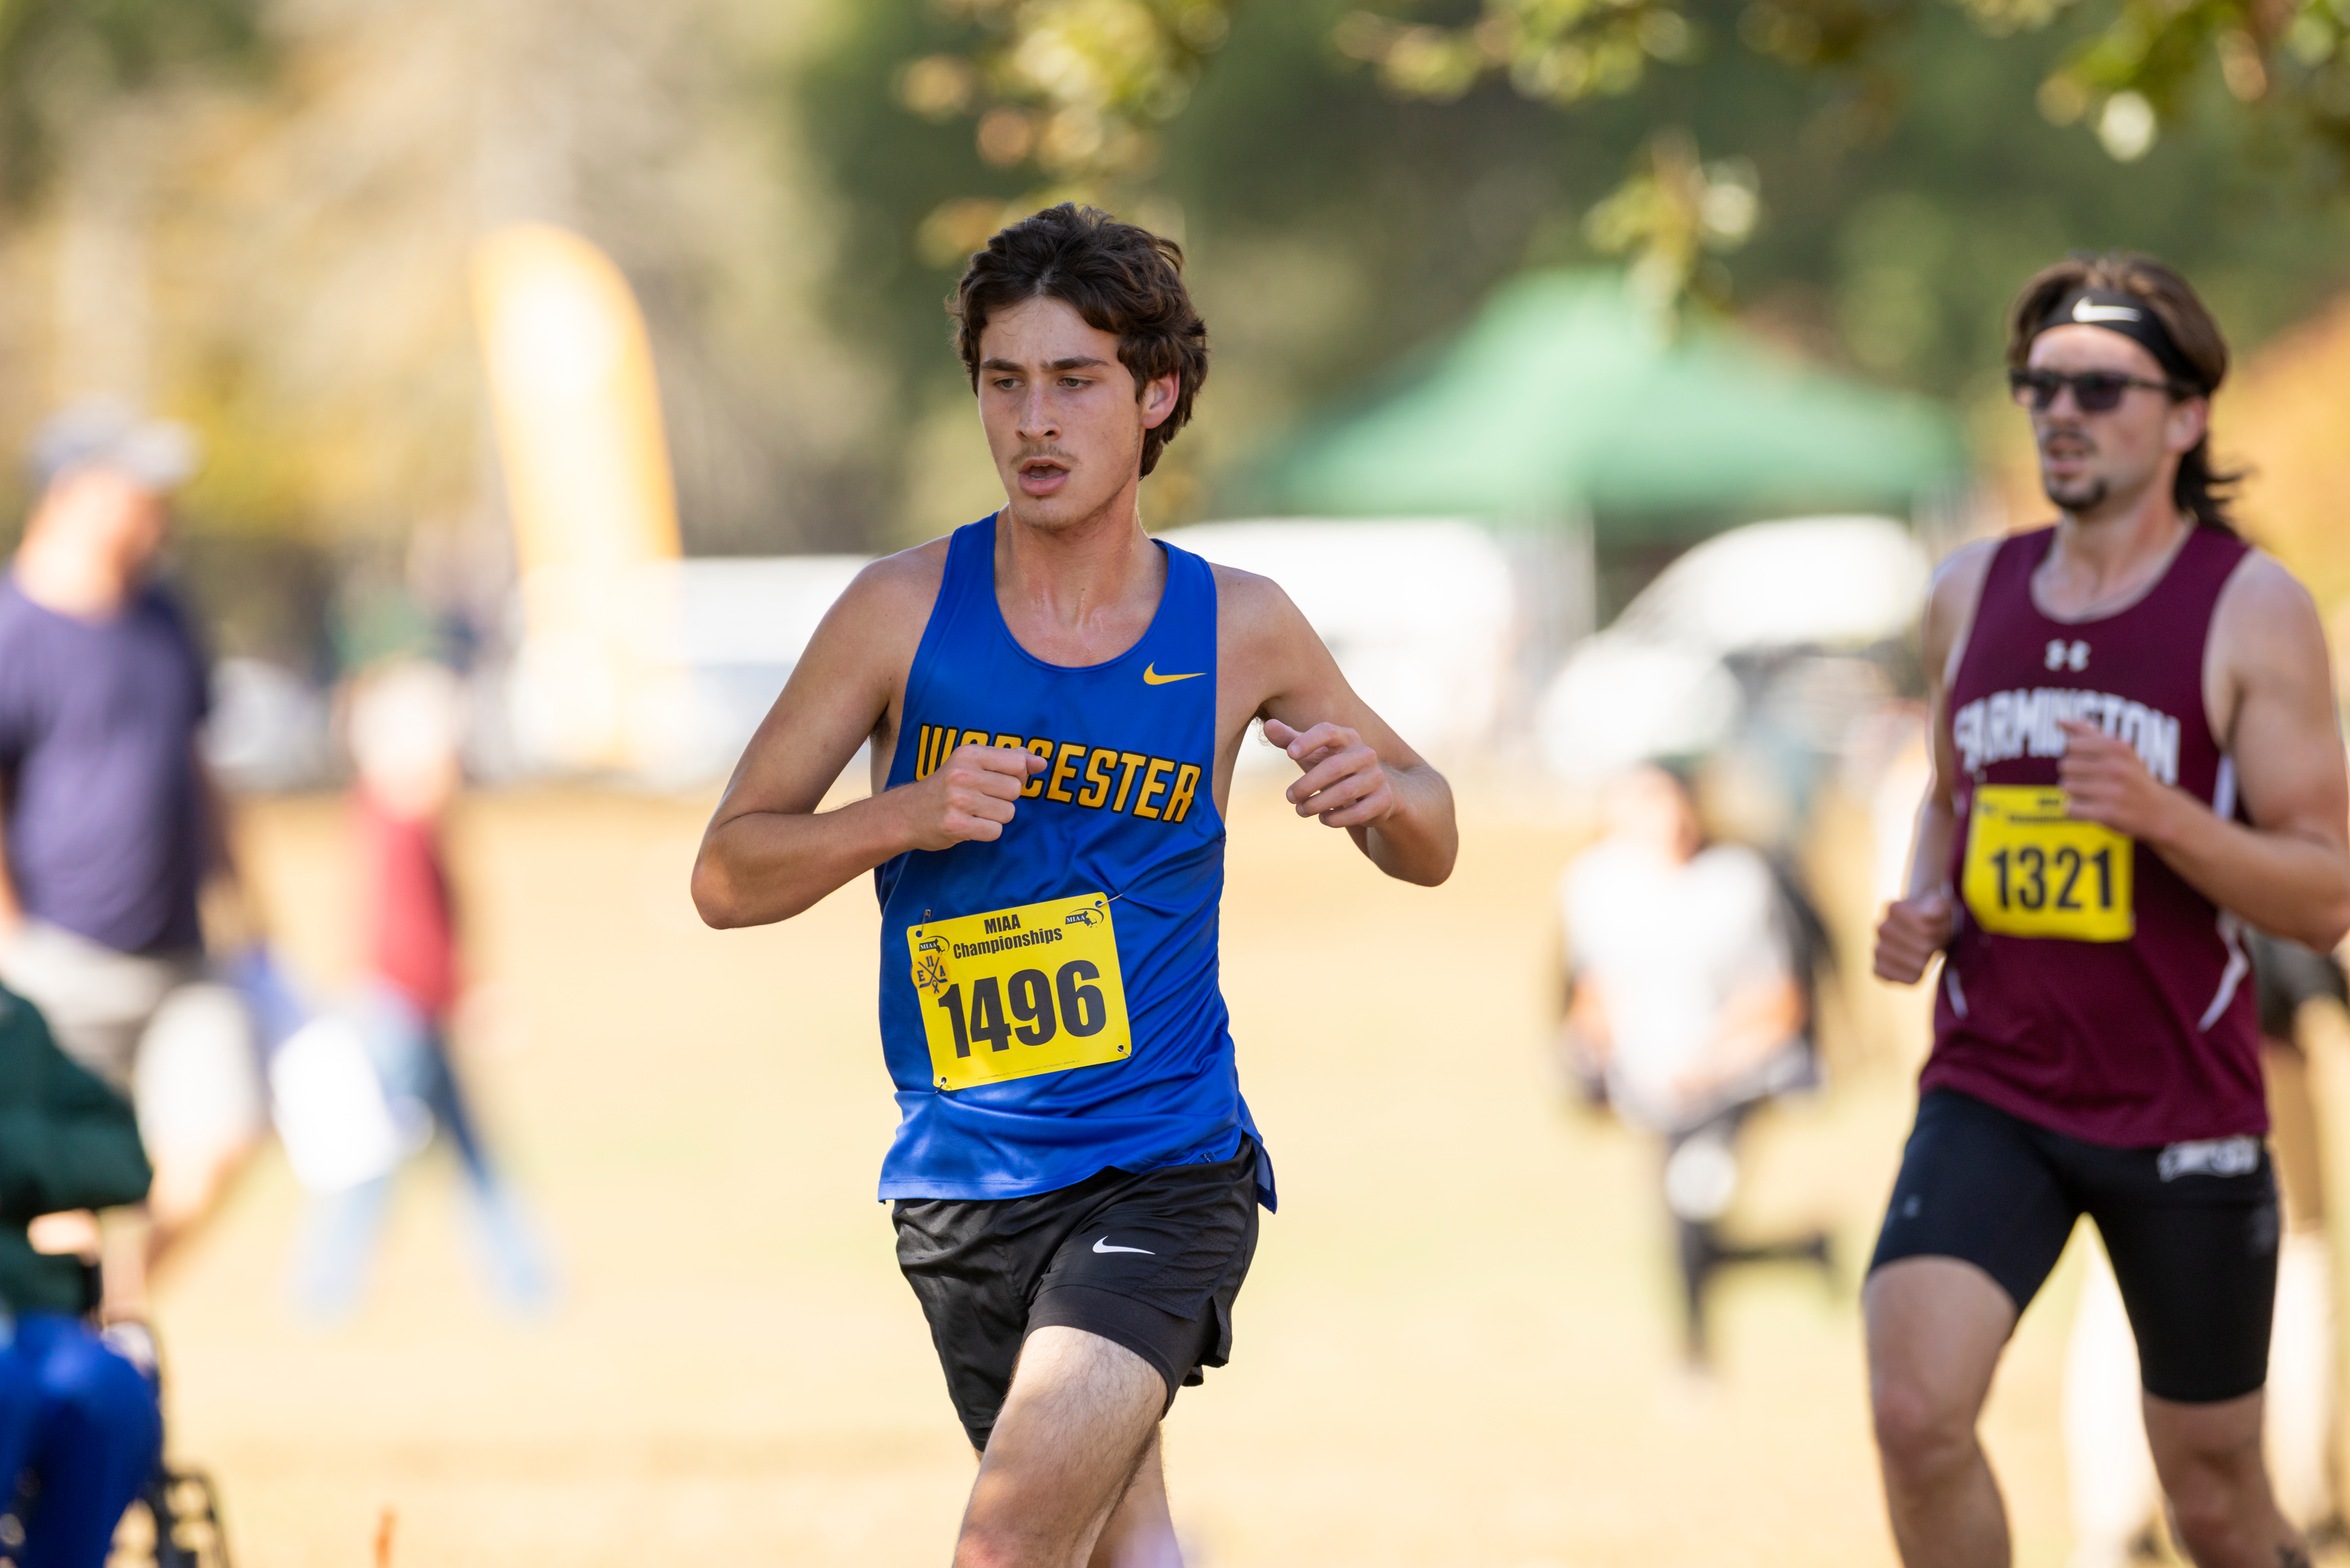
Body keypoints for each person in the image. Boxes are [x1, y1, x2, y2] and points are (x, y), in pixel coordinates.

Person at [691, 203, 1457, 1567]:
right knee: (1120, 1548)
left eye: (1075, 380)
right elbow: (726, 873)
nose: (1032, 421)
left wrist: (1380, 800)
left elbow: (1432, 833)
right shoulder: (898, 611)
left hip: (1162, 1171)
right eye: (1003, 381)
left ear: (1155, 394)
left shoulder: (1239, 623)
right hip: (963, 1184)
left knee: (1008, 1543)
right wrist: (903, 814)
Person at [1870, 251, 2350, 1568]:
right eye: (2036, 385)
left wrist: (2164, 818)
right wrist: (1922, 898)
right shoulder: (1967, 590)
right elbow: (1945, 800)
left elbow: (2322, 893)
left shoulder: (2248, 611)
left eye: (2095, 386)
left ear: (2185, 414)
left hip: (2180, 1103)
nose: (2057, 412)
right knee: (1914, 1415)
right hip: (1992, 1083)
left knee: (2212, 1500)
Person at [0, 401, 263, 1274]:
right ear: (74, 496)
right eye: (139, 488)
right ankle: (67, 1342)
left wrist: (247, 904)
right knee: (54, 1195)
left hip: (180, 952)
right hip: (55, 956)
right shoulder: (15, 630)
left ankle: (113, 1305)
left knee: (226, 1134)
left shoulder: (162, 616)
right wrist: (13, 945)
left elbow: (197, 768)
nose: (161, 508)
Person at [280, 658, 551, 1319]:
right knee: (375, 1162)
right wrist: (468, 996)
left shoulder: (395, 817)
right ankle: (320, 1295)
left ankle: (526, 1287)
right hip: (399, 1014)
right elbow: (407, 936)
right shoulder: (397, 821)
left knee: (468, 1155)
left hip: (406, 1011)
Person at [2063, 931, 2344, 1567]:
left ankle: (2114, 1519)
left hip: (2129, 1046)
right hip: (2247, 1047)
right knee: (2303, 1256)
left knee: (2115, 1275)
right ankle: (2307, 1497)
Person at [1556, 762, 1831, 1373]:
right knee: (1681, 1222)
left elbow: (1780, 997)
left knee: (1691, 1194)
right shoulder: (1593, 884)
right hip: (1650, 1083)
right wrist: (1589, 1052)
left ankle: (1694, 1356)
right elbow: (1592, 984)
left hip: (1733, 1079)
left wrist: (1710, 1061)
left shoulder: (1738, 881)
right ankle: (1805, 1255)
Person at [0, 980, 163, 1567]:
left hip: (26, 1303)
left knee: (108, 1393)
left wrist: (17, 1156)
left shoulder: (14, 1021)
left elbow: (125, 1158)